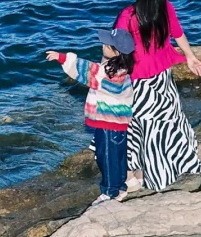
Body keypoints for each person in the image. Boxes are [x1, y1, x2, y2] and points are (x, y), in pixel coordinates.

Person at [115, 0, 201, 192]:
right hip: (162, 76)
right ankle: (168, 165)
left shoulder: (128, 15)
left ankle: (135, 175)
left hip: (138, 80)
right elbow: (178, 33)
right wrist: (190, 57)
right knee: (166, 122)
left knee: (135, 126)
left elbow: (117, 50)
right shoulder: (165, 7)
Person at [46, 27, 135, 203]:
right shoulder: (123, 69)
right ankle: (121, 186)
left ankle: (110, 192)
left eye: (106, 44)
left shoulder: (108, 74)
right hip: (120, 123)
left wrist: (62, 58)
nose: (103, 45)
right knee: (118, 155)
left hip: (108, 123)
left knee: (106, 157)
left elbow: (86, 70)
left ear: (115, 51)